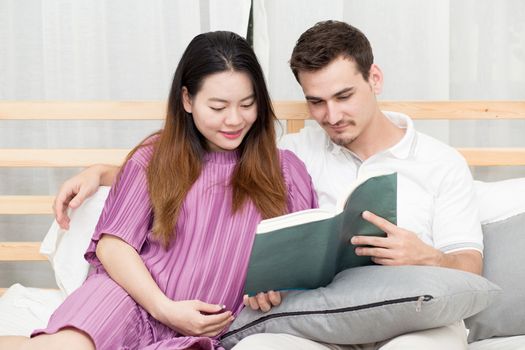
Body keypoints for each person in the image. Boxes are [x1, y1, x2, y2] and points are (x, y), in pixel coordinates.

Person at [51, 21, 483, 349]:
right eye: (316, 101)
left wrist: (427, 257)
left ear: (375, 79)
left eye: (344, 96)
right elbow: (198, 166)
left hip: (417, 312)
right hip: (310, 320)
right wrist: (101, 172)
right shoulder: (296, 153)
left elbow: (472, 272)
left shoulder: (441, 163)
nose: (331, 116)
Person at [0, 31, 317, 350]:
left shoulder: (286, 171)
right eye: (218, 107)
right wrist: (164, 308)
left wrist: (277, 283)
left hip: (204, 330)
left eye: (247, 104)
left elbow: (306, 258)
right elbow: (113, 245)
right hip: (129, 300)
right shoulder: (154, 157)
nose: (234, 120)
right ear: (187, 100)